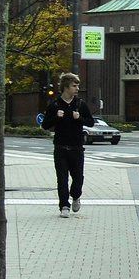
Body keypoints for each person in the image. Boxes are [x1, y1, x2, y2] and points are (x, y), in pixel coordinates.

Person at [41, 72, 95, 218]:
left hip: (77, 147)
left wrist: (80, 118)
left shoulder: (80, 104)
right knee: (62, 178)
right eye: (74, 86)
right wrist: (55, 117)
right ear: (66, 87)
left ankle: (76, 196)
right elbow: (45, 125)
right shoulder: (55, 105)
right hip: (60, 147)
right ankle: (64, 205)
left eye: (78, 86)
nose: (77, 88)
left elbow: (91, 122)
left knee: (78, 178)